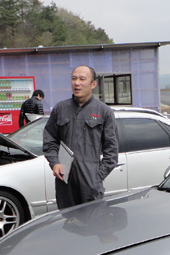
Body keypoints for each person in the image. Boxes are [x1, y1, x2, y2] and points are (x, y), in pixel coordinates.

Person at [42, 65, 119, 209]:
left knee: (92, 220)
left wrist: (96, 177)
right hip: (65, 182)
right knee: (67, 220)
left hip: (90, 185)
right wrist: (55, 163)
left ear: (93, 84)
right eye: (74, 78)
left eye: (82, 79)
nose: (77, 83)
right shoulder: (60, 109)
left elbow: (112, 151)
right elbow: (50, 139)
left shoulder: (104, 112)